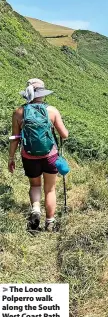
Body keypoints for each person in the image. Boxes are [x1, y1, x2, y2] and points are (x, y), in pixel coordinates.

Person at [8, 78, 69, 232]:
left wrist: (11, 158)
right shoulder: (52, 111)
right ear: (43, 93)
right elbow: (64, 135)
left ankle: (36, 210)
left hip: (28, 156)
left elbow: (15, 138)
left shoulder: (18, 112)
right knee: (50, 189)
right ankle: (50, 223)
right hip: (50, 156)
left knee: (35, 185)